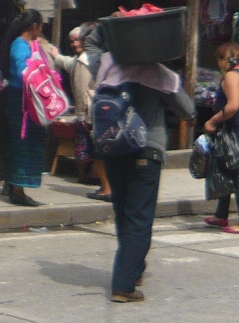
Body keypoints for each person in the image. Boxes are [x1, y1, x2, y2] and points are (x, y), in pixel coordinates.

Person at [89, 29, 195, 303]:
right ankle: (123, 285)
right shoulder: (158, 73)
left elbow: (91, 48)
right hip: (146, 152)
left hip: (112, 150)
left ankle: (134, 267)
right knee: (139, 219)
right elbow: (188, 110)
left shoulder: (108, 65)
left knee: (124, 214)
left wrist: (106, 31)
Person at [203, 41, 239, 235]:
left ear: (223, 59)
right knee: (225, 170)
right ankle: (221, 215)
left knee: (236, 176)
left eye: (218, 59)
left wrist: (212, 121)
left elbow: (233, 106)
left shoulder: (231, 77)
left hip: (237, 133)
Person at [53, 23, 112, 201]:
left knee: (98, 154)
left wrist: (84, 116)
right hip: (104, 112)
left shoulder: (85, 60)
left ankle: (106, 188)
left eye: (78, 40)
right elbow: (68, 63)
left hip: (92, 114)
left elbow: (84, 92)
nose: (75, 44)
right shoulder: (103, 57)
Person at [0, 9, 48, 207]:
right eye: (41, 26)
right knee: (23, 145)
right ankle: (18, 190)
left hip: (25, 100)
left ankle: (12, 184)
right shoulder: (20, 46)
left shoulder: (27, 44)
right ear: (34, 27)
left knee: (24, 144)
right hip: (23, 102)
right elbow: (23, 71)